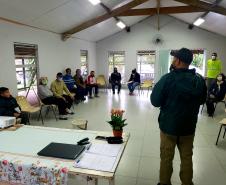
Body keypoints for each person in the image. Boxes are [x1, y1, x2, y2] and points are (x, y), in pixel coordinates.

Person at [151, 48, 207, 185]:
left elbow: (155, 101)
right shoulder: (199, 80)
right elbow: (202, 100)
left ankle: (164, 183)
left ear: (178, 60)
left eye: (174, 58)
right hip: (188, 128)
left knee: (166, 158)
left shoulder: (167, 79)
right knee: (187, 158)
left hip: (168, 128)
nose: (172, 60)